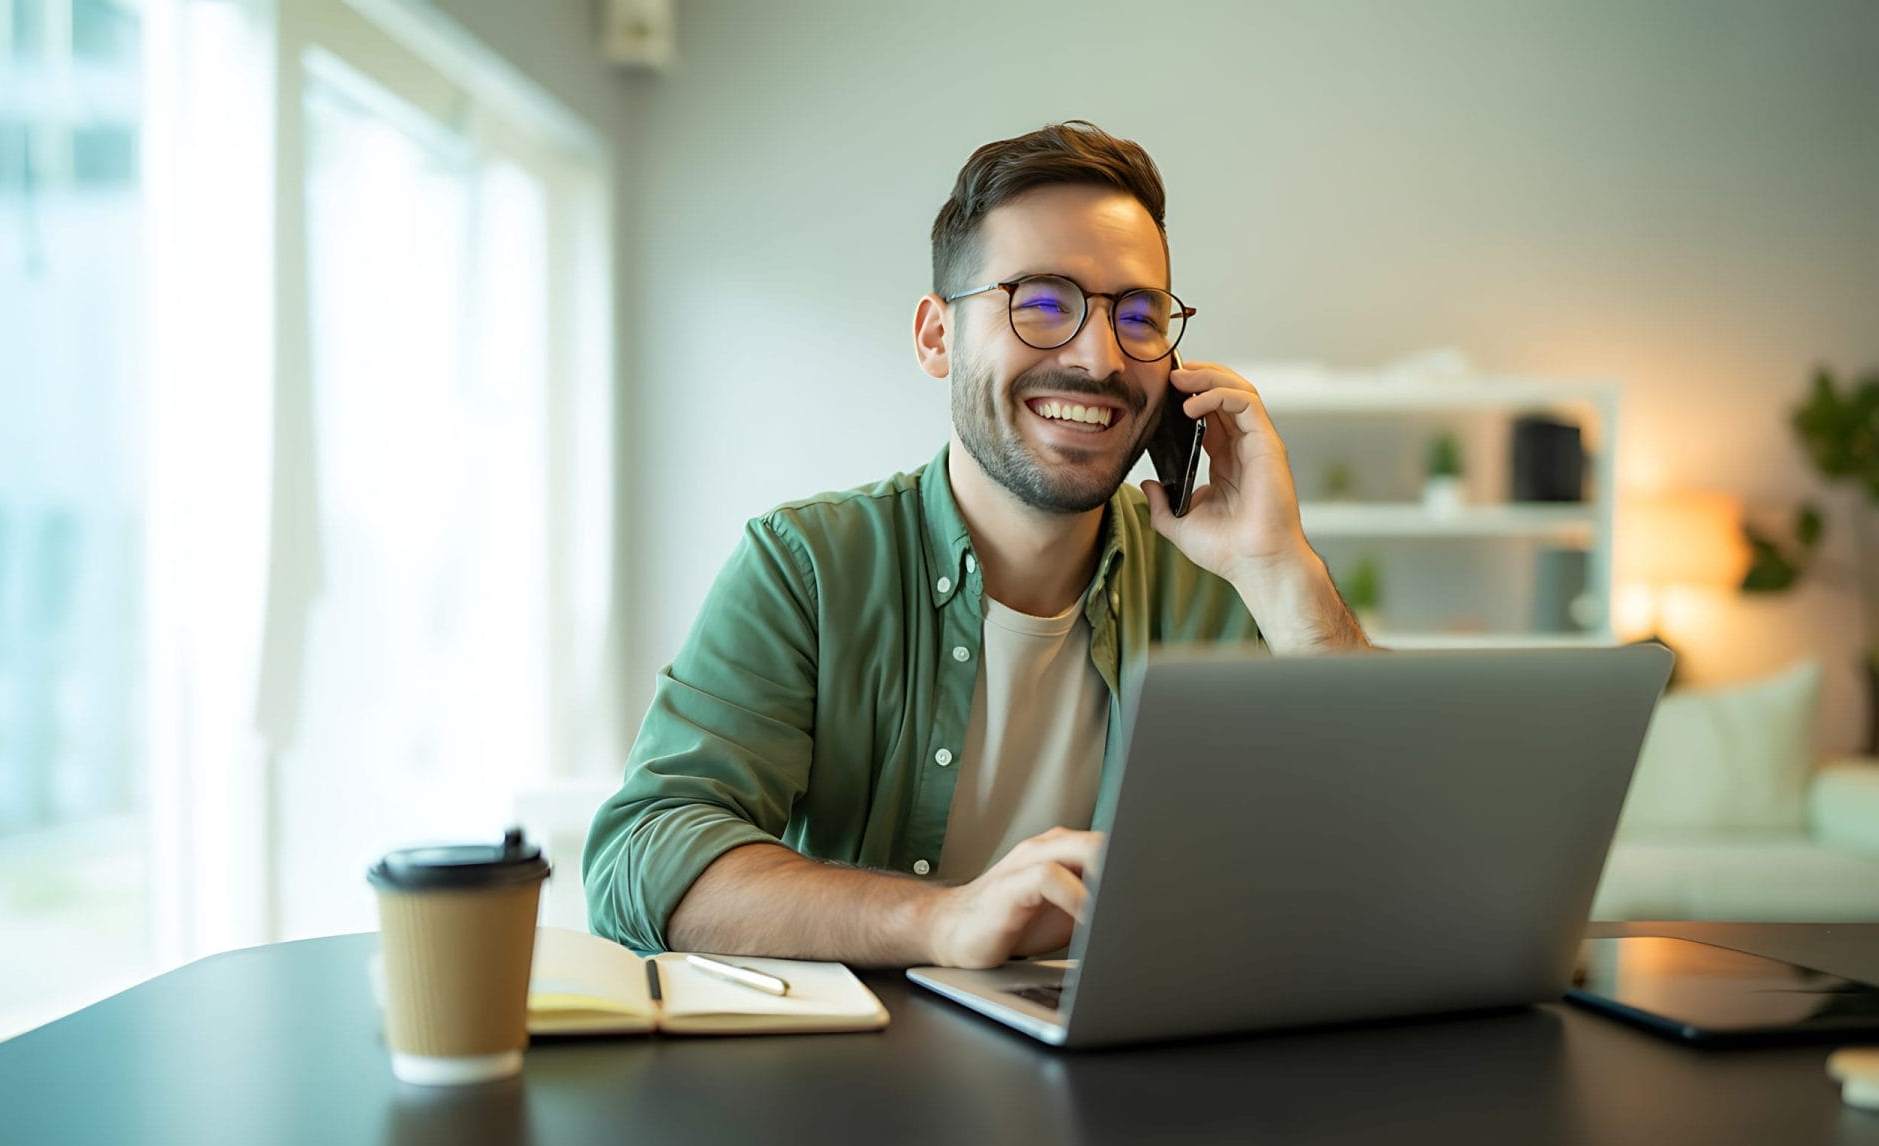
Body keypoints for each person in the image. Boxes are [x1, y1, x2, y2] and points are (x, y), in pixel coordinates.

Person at [583, 120, 1369, 968]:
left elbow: (1396, 852)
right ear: (936, 337)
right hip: (866, 1079)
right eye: (1040, 303)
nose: (1101, 358)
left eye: (1138, 316)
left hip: (1146, 1072)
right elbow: (642, 854)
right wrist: (942, 921)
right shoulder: (807, 566)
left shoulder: (1220, 582)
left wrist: (1283, 577)